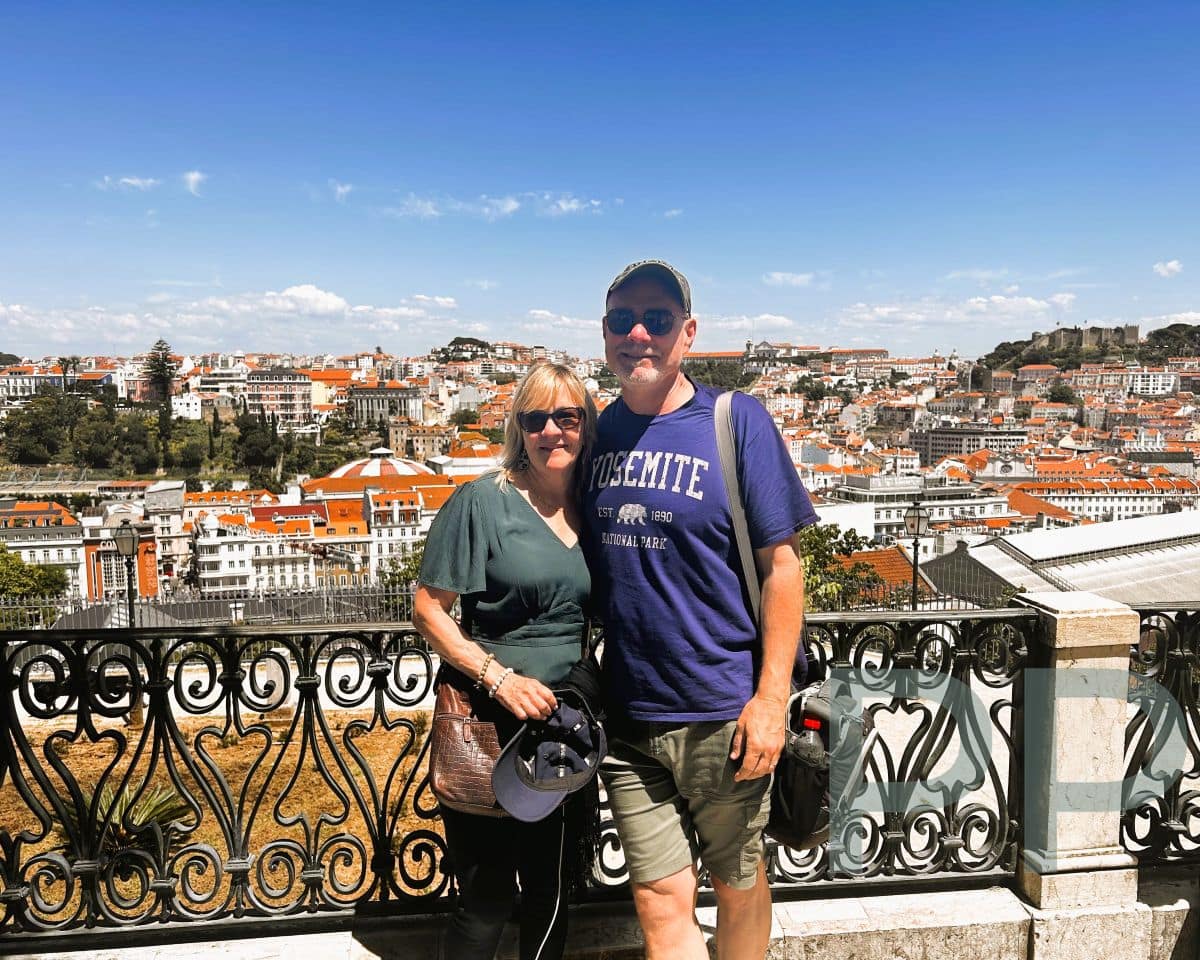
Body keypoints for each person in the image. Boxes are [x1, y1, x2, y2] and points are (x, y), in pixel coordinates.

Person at [583, 260, 818, 960]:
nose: (638, 333)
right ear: (604, 333)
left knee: (736, 885)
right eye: (623, 319)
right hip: (629, 717)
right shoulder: (596, 434)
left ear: (687, 333)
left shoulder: (734, 420)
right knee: (659, 898)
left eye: (656, 319)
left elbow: (783, 568)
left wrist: (770, 699)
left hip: (725, 712)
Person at [413, 362, 598, 960]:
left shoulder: (595, 505)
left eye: (566, 416)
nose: (551, 431)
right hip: (489, 724)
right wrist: (499, 678)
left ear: (586, 424)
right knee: (486, 897)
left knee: (552, 890)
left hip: (563, 728)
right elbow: (429, 610)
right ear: (519, 427)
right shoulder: (483, 502)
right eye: (535, 418)